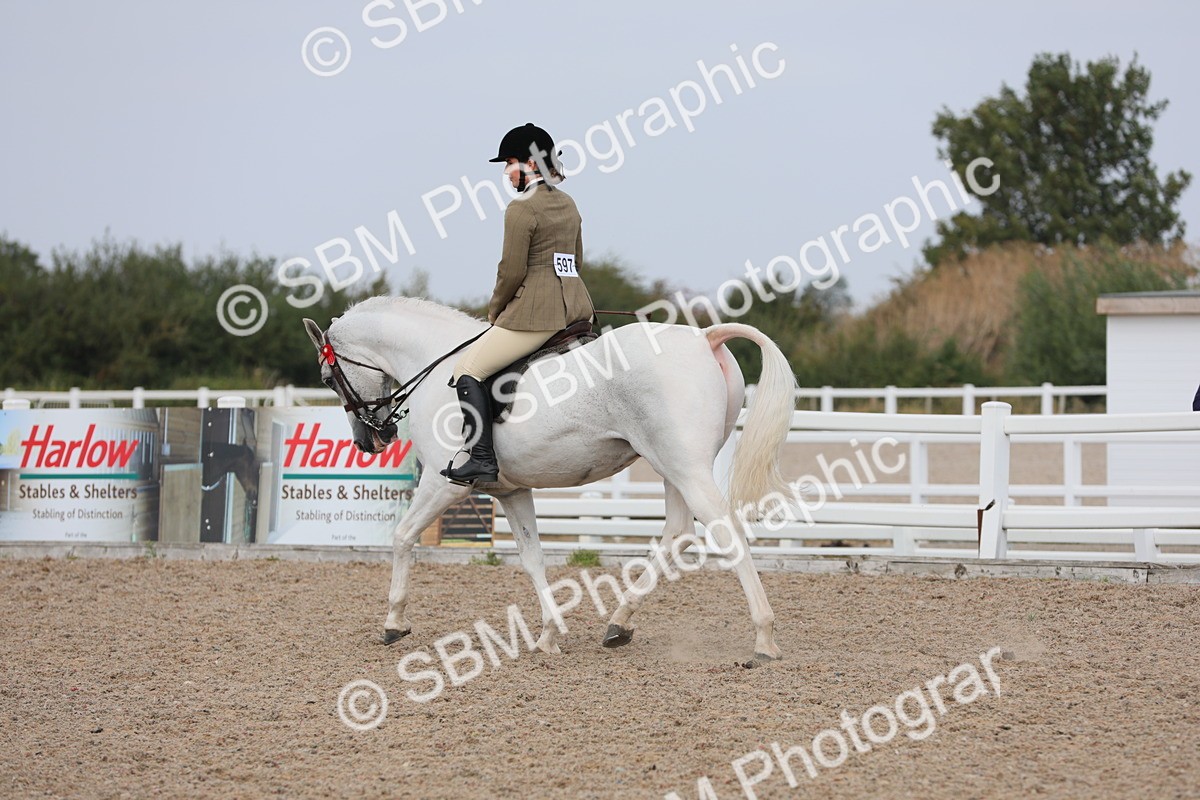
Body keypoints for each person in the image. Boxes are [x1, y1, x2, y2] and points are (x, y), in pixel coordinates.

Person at [441, 123, 595, 485]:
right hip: (577, 310)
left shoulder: (520, 208)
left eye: (510, 162)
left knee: (468, 368)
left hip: (536, 316)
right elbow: (576, 259)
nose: (506, 172)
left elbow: (511, 271)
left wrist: (496, 311)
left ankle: (481, 458)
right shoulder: (568, 203)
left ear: (529, 163)